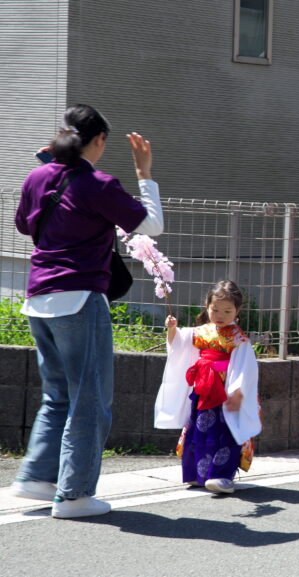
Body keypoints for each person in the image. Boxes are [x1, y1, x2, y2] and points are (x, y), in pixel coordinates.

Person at [10, 104, 163, 518]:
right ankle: (75, 495)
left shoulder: (37, 177)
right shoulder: (98, 183)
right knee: (89, 398)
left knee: (57, 394)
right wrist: (144, 173)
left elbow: (24, 225)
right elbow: (150, 225)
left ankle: (36, 479)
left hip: (38, 298)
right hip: (79, 299)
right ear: (98, 141)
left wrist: (48, 165)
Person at [154, 281, 261, 494]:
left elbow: (245, 368)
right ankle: (197, 473)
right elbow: (178, 345)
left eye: (227, 311)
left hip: (225, 390)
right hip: (203, 388)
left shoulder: (239, 339)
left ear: (238, 311)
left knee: (225, 432)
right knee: (199, 429)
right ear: (207, 306)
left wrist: (238, 392)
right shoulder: (200, 331)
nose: (220, 315)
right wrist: (172, 328)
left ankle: (222, 475)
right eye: (215, 310)